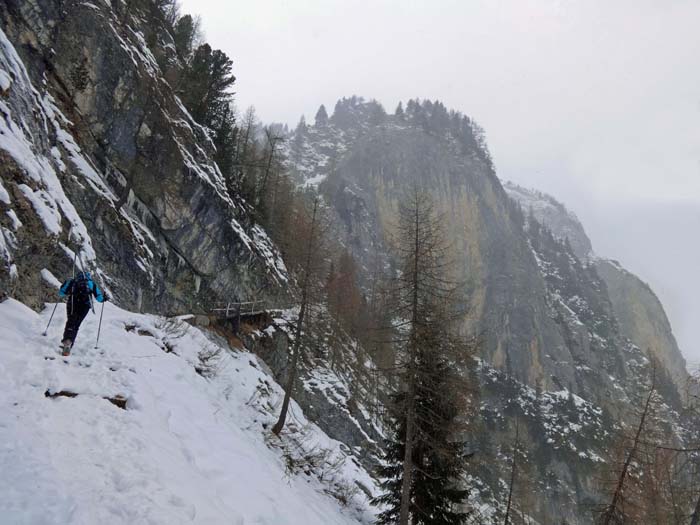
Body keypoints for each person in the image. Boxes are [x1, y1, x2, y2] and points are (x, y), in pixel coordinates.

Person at [58, 271, 106, 355]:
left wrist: (65, 284)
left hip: (72, 303)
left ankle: (67, 341)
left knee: (70, 322)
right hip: (84, 306)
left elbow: (61, 293)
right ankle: (69, 342)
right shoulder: (91, 283)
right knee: (76, 325)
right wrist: (104, 298)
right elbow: (99, 298)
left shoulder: (72, 281)